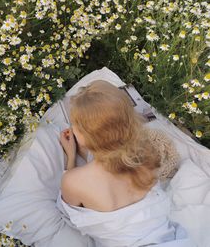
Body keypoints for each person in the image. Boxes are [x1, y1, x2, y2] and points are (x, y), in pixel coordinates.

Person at [56, 80, 195, 246]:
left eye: (75, 126)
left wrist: (71, 158)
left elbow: (69, 214)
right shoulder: (147, 154)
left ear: (86, 137)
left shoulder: (73, 181)